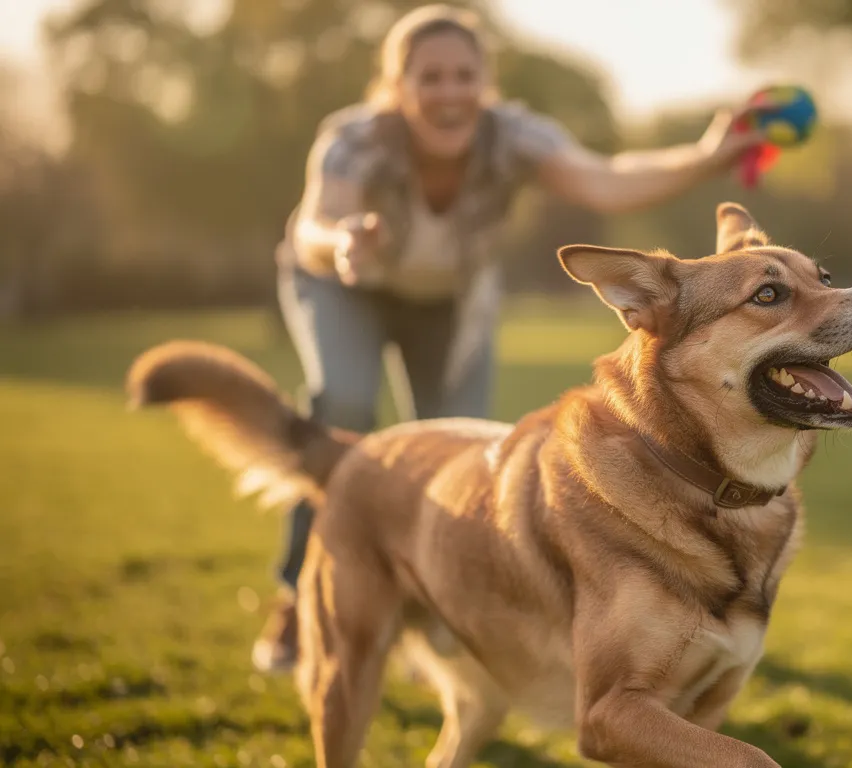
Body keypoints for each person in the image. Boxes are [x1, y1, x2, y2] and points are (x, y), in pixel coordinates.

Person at [252, 3, 768, 672]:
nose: (448, 93)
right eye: (429, 78)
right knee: (344, 409)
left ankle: (434, 611)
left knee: (453, 443)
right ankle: (299, 598)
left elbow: (607, 182)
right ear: (397, 86)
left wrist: (706, 158)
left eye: (463, 76)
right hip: (340, 281)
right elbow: (321, 223)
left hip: (449, 297)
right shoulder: (356, 139)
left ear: (485, 84)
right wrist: (344, 239)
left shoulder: (513, 137)